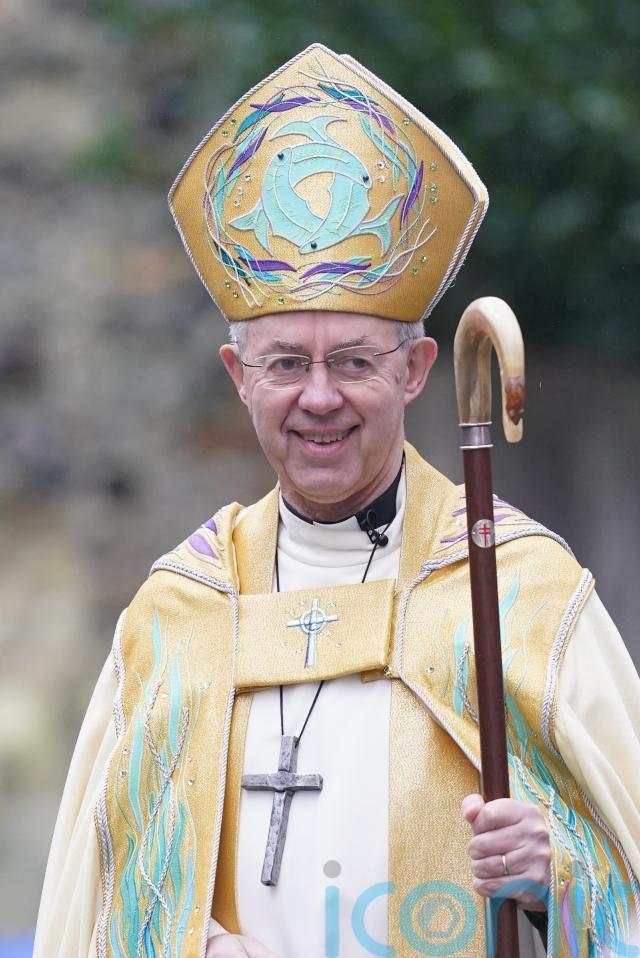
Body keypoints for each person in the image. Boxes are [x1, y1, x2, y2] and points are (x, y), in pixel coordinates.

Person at [33, 43, 640, 958]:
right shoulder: (178, 615)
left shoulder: (522, 594)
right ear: (239, 377)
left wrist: (556, 880)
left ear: (416, 370)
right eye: (286, 364)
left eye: (354, 360)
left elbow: (623, 885)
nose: (319, 398)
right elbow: (100, 905)